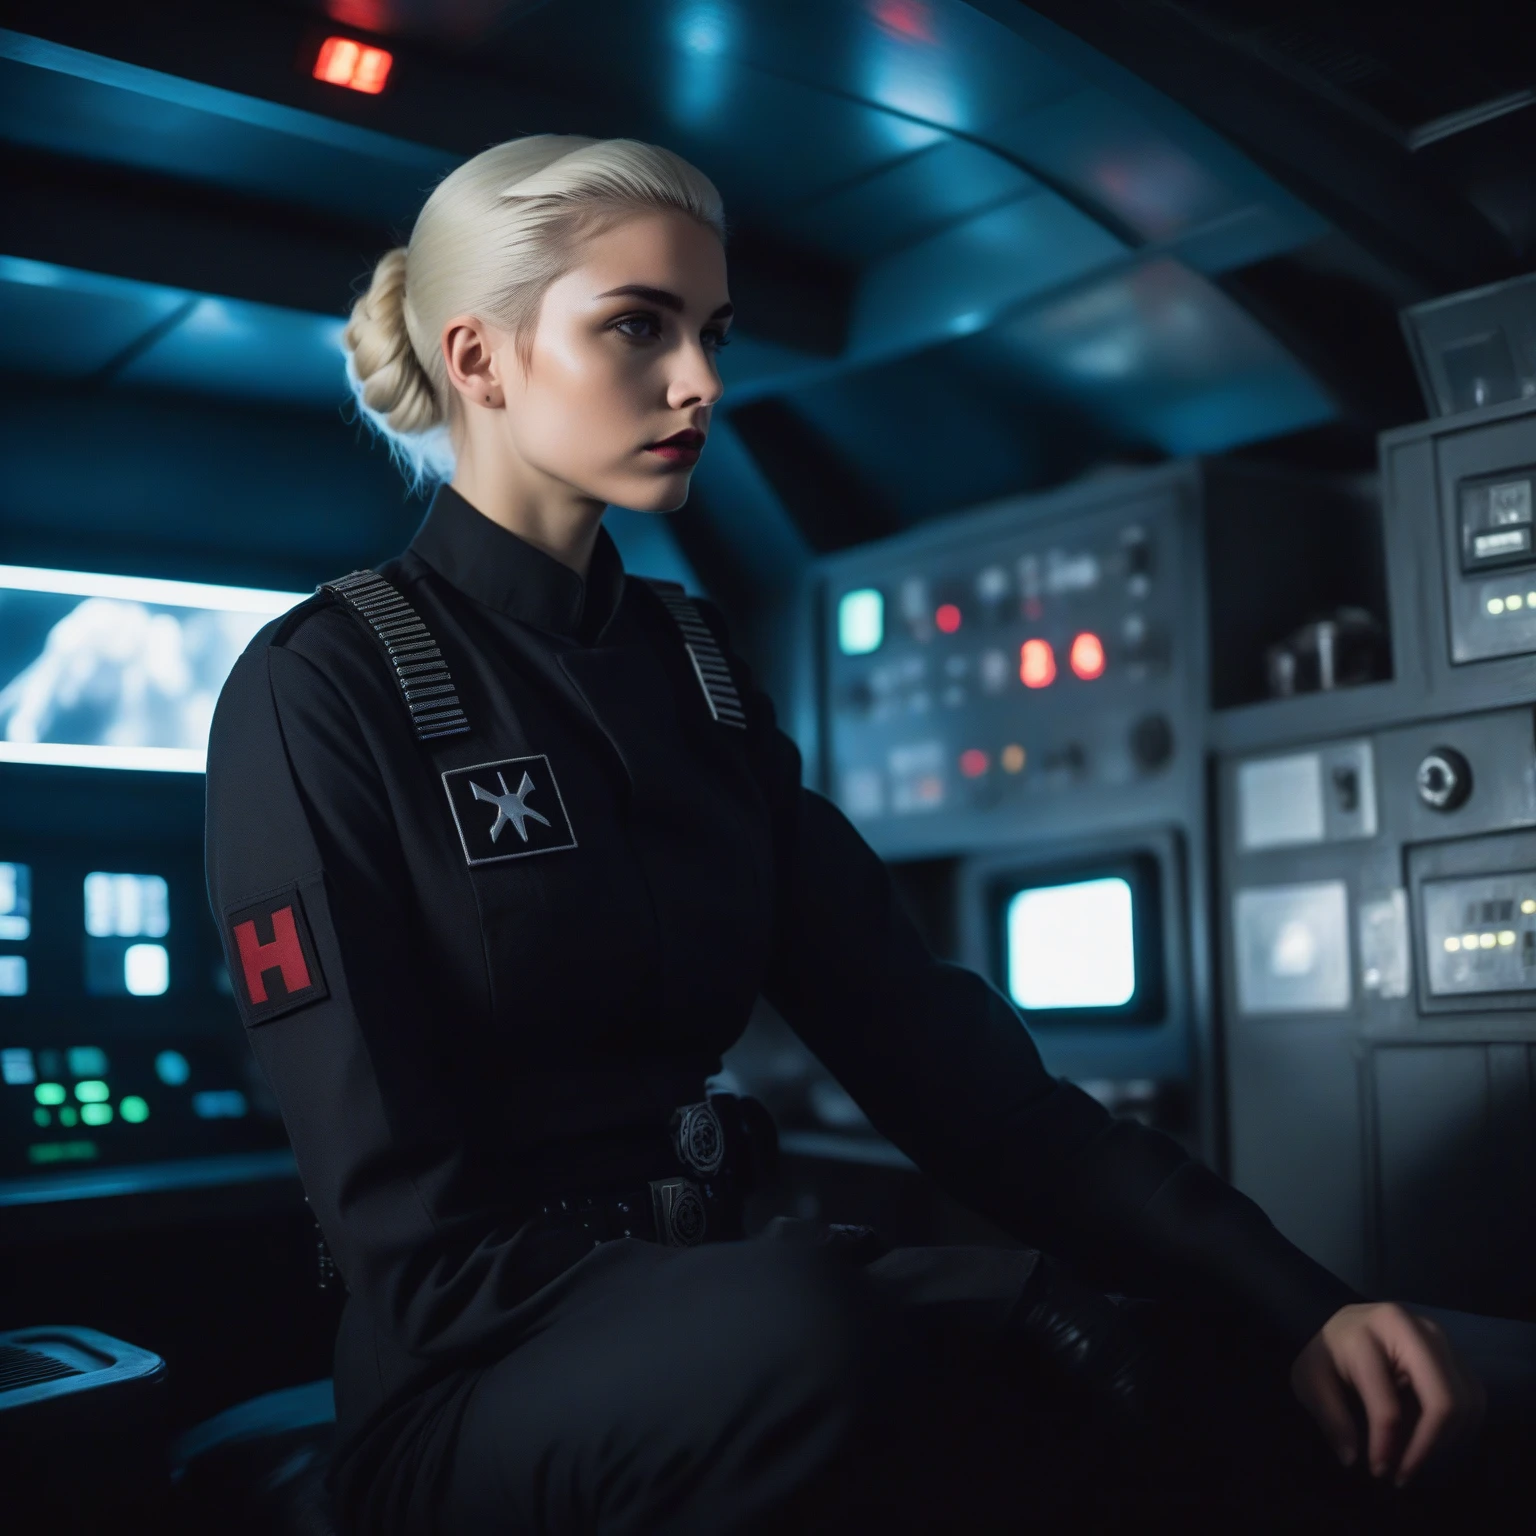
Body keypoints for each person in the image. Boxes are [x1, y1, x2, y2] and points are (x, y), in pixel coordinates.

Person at [204, 135, 1484, 1535]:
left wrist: (1300, 1298)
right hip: (473, 1386)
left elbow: (962, 1082)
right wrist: (998, 1293)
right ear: (480, 358)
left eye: (712, 333)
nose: (700, 382)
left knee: (1247, 1388)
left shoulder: (697, 680)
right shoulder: (320, 688)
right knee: (825, 1338)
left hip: (751, 1317)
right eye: (637, 326)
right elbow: (423, 1264)